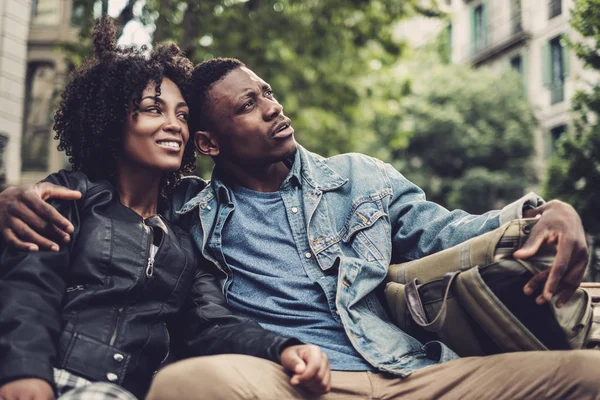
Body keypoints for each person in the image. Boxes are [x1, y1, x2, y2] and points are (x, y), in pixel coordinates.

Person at [1, 57, 597, 399]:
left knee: (588, 374)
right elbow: (103, 223)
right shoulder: (188, 213)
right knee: (192, 383)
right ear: (209, 144)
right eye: (248, 106)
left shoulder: (362, 179)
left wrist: (544, 213)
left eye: (269, 93)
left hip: (413, 374)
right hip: (298, 384)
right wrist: (7, 200)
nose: (273, 108)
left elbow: (454, 232)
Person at [0, 24, 330, 400]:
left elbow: (211, 324)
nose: (174, 124)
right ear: (112, 121)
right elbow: (28, 291)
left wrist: (284, 348)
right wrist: (24, 372)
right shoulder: (69, 196)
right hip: (50, 381)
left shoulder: (185, 236)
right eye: (153, 109)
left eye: (183, 115)